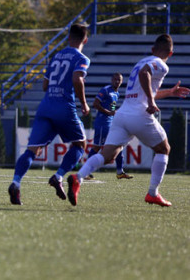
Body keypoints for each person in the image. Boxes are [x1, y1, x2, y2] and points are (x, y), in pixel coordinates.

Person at [68, 34, 189, 207]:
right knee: (164, 149)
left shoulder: (141, 61)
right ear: (170, 54)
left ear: (152, 49)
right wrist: (151, 101)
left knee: (108, 156)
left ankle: (77, 177)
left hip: (122, 114)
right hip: (138, 114)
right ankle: (153, 193)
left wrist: (169, 92)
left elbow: (144, 81)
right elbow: (145, 73)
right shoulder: (161, 64)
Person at [8, 24, 91, 205]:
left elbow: (45, 86)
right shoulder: (82, 58)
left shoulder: (55, 57)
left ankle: (16, 182)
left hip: (45, 106)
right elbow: (77, 79)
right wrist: (84, 103)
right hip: (64, 107)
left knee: (32, 150)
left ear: (68, 37)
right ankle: (59, 176)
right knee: (79, 145)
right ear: (85, 40)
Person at [85, 73, 132, 180]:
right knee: (97, 147)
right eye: (115, 79)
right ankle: (86, 171)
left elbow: (112, 108)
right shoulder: (105, 90)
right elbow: (96, 104)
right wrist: (108, 112)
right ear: (111, 80)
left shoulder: (117, 93)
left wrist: (114, 114)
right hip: (102, 123)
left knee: (118, 145)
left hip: (111, 123)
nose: (117, 81)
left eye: (119, 80)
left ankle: (120, 172)